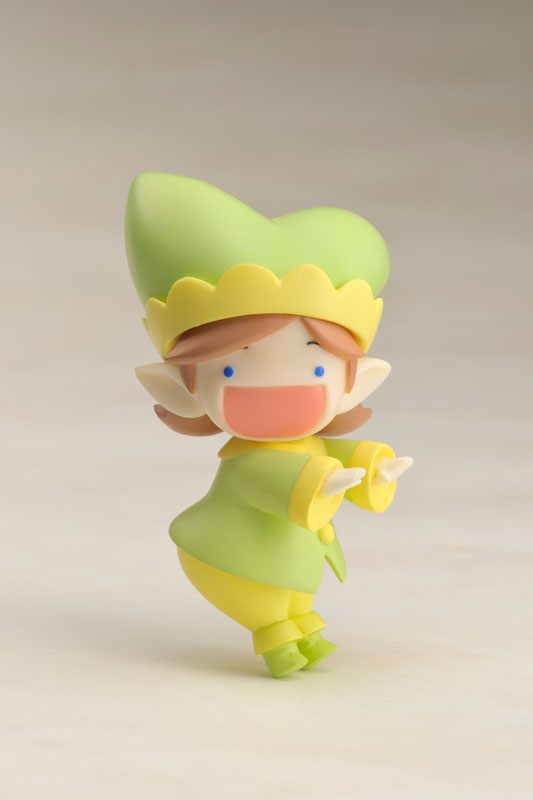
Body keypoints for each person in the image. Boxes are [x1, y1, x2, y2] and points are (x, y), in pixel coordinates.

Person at [126, 173, 413, 677]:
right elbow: (284, 479)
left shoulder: (305, 446)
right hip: (226, 555)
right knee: (269, 601)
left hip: (281, 549)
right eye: (230, 369)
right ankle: (278, 640)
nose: (281, 392)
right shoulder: (248, 465)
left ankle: (303, 630)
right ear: (182, 387)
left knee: (293, 589)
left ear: (356, 381)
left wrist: (371, 467)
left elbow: (329, 459)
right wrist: (324, 480)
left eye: (318, 368)